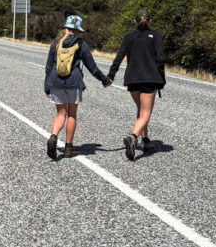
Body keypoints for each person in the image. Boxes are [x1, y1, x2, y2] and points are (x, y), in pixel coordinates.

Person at [44, 15, 112, 159]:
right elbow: (91, 66)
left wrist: (47, 85)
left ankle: (53, 137)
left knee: (60, 113)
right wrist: (104, 79)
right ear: (77, 29)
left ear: (66, 27)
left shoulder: (56, 42)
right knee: (72, 114)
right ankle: (69, 147)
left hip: (56, 81)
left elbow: (49, 66)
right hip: (74, 82)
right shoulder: (81, 43)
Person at [107, 9, 166, 160]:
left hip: (132, 79)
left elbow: (119, 57)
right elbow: (160, 59)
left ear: (134, 21)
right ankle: (133, 137)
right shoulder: (157, 36)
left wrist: (111, 75)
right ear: (151, 21)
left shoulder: (129, 37)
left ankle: (145, 141)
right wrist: (161, 79)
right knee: (146, 114)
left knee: (141, 111)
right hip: (149, 78)